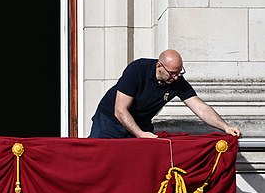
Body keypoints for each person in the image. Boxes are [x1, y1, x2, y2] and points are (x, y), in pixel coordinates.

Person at [89, 49, 241, 139]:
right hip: (110, 121)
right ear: (159, 66)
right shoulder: (137, 69)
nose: (175, 78)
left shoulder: (176, 80)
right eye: (172, 73)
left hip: (140, 123)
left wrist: (225, 126)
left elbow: (201, 108)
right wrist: (140, 134)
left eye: (179, 73)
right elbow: (120, 110)